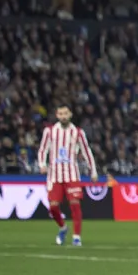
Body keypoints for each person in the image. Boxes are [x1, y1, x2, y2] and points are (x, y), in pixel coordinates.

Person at [37, 105, 98, 246]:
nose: (63, 116)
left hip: (72, 175)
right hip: (54, 176)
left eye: (65, 113)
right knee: (53, 207)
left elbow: (86, 151)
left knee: (75, 205)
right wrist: (42, 164)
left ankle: (76, 237)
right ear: (57, 116)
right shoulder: (50, 131)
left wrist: (93, 170)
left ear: (70, 114)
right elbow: (42, 149)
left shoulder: (78, 132)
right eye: (60, 114)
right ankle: (63, 227)